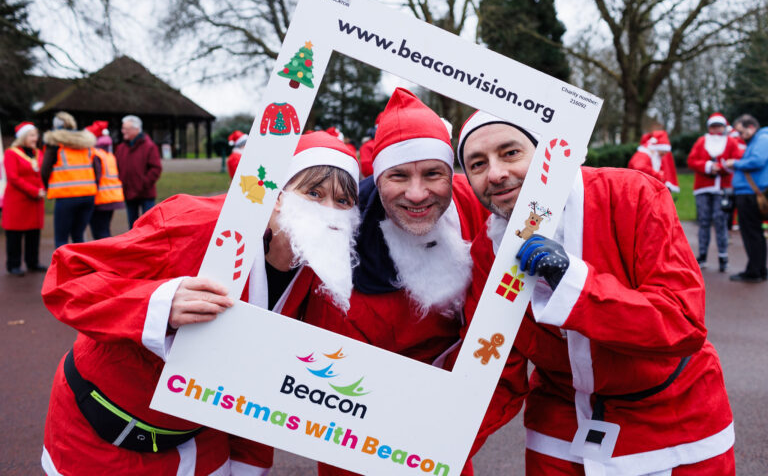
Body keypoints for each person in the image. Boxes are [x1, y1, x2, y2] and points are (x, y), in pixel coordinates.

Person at [41, 132, 362, 475]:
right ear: (278, 197)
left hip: (199, 439)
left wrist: (249, 462)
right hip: (98, 431)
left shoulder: (320, 272)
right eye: (314, 193)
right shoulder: (198, 223)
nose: (330, 212)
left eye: (343, 201)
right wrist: (158, 304)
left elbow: (263, 381)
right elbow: (67, 277)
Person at [453, 110, 734, 475]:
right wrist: (430, 451)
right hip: (560, 428)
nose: (495, 173)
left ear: (546, 152)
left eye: (510, 153)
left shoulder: (633, 194)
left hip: (673, 422)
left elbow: (681, 322)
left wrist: (576, 283)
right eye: (477, 164)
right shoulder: (486, 252)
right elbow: (493, 372)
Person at [298, 88, 487, 476]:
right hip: (357, 424)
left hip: (443, 423)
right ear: (377, 176)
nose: (417, 194)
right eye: (398, 176)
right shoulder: (336, 236)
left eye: (433, 174)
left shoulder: (470, 201)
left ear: (452, 175)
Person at [687, 112, 742, 271]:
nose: (716, 129)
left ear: (724, 127)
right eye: (714, 126)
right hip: (703, 188)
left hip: (722, 188)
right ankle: (702, 256)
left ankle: (723, 256)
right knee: (703, 221)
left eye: (719, 126)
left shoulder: (731, 142)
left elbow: (737, 161)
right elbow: (691, 160)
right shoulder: (701, 141)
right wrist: (708, 167)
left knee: (721, 222)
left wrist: (723, 167)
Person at [41, 111, 101, 248]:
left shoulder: (55, 144)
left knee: (61, 239)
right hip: (88, 195)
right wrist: (93, 187)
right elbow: (98, 169)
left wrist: (48, 187)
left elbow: (45, 170)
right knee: (79, 237)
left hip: (66, 196)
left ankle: (62, 269)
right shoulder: (86, 143)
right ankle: (80, 268)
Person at [725, 114, 768, 282]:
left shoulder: (762, 138)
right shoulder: (759, 139)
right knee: (754, 232)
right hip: (749, 192)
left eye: (741, 132)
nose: (740, 137)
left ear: (751, 127)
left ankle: (755, 271)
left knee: (751, 233)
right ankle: (759, 269)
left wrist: (734, 163)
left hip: (750, 193)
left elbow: (757, 161)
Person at [3, 122, 46, 276]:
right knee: (15, 234)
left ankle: (32, 262)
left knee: (33, 233)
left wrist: (42, 189)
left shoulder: (38, 153)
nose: (36, 138)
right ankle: (13, 264)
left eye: (36, 135)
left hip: (35, 202)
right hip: (18, 201)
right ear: (23, 137)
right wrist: (35, 191)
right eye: (32, 135)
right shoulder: (11, 153)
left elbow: (40, 174)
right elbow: (13, 178)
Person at [116, 115, 162, 228]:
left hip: (145, 194)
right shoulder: (121, 148)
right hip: (128, 194)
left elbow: (156, 168)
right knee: (132, 227)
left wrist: (143, 184)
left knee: (149, 226)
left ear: (136, 129)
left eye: (125, 129)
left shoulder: (149, 146)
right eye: (123, 128)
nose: (123, 131)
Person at [86, 121, 125, 240]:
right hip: (112, 197)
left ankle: (106, 257)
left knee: (100, 233)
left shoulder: (95, 154)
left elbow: (96, 178)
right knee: (105, 230)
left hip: (100, 199)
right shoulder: (108, 154)